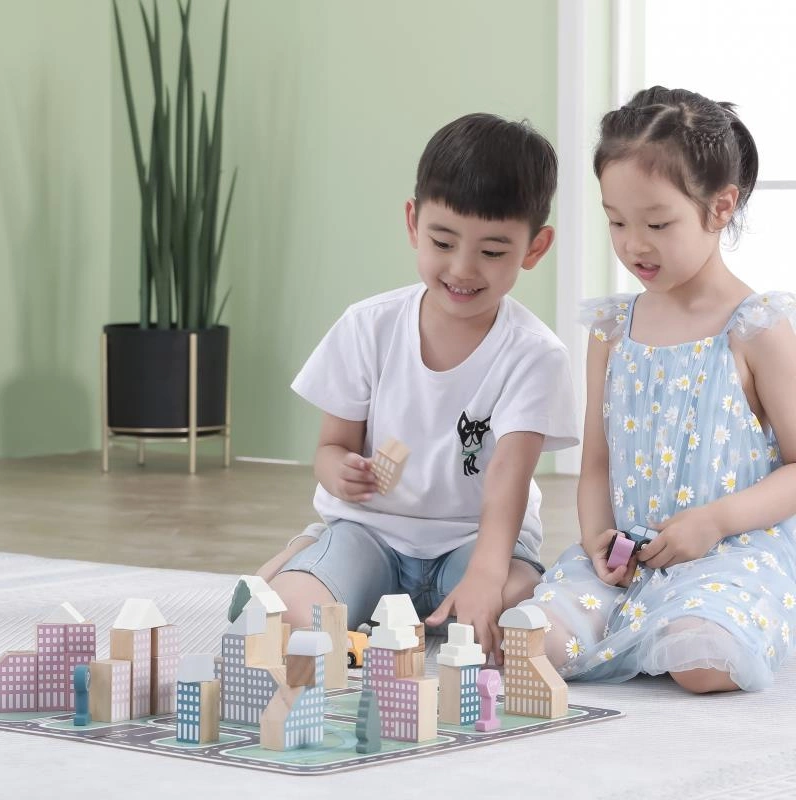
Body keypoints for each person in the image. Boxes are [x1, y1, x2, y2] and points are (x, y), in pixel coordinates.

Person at [258, 112, 579, 662]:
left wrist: (486, 576)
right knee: (288, 617)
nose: (463, 268)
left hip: (476, 541)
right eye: (443, 241)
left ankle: (351, 580)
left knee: (526, 627)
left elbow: (508, 481)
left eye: (492, 251)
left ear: (535, 247)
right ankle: (312, 552)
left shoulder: (534, 354)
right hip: (370, 534)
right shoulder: (369, 326)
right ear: (413, 223)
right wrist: (338, 472)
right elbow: (331, 447)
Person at [523, 86, 796, 692]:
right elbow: (597, 464)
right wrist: (597, 539)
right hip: (632, 557)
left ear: (720, 207)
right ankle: (634, 619)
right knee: (540, 644)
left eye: (657, 223)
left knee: (701, 660)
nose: (633, 244)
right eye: (616, 221)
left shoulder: (756, 328)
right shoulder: (612, 330)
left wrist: (715, 522)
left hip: (730, 551)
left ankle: (704, 623)